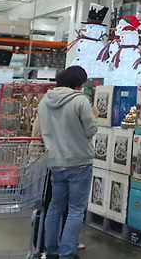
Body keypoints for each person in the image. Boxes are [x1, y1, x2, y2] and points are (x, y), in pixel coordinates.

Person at [38, 66, 98, 259]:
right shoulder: (80, 100)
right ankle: (67, 254)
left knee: (55, 207)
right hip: (79, 161)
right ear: (79, 83)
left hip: (55, 161)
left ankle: (51, 251)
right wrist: (95, 117)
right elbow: (90, 130)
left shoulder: (44, 102)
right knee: (75, 210)